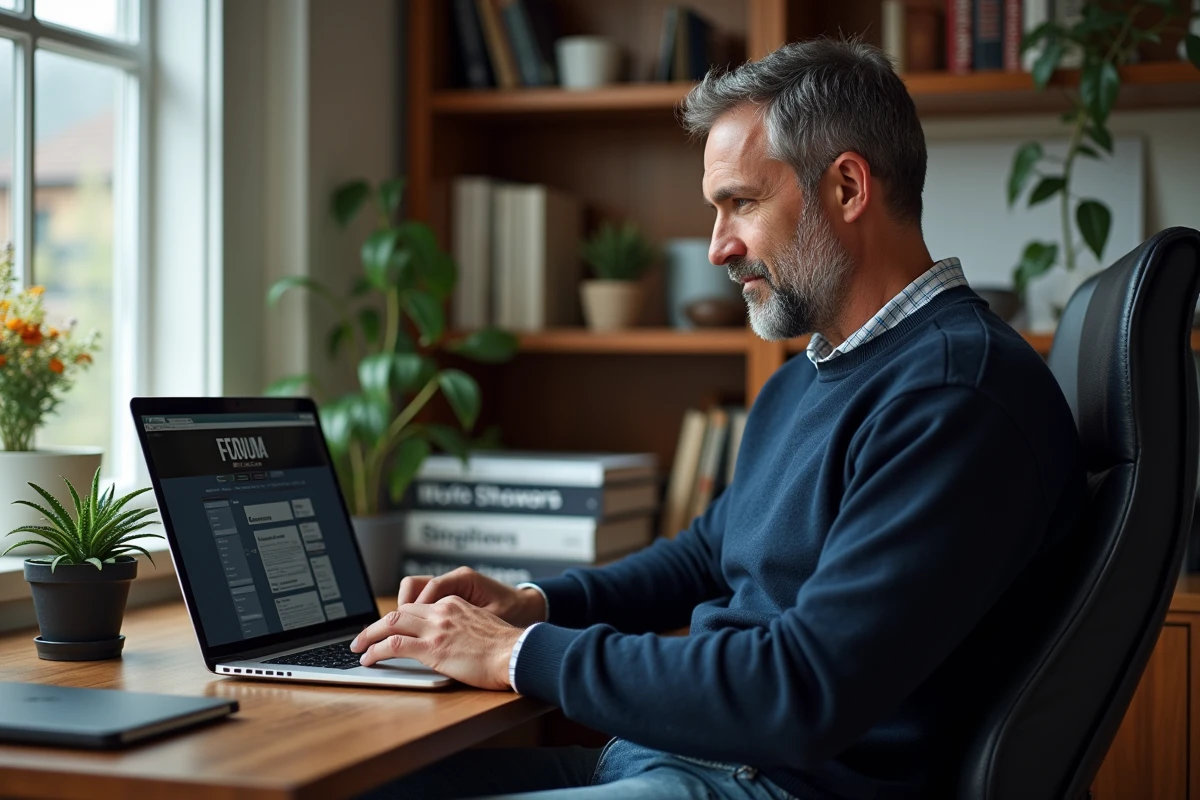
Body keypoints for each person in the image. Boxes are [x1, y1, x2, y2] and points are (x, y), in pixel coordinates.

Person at [352, 37, 1086, 800]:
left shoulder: (954, 398)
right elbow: (706, 556)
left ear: (846, 188)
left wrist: (517, 652)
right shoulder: (810, 376)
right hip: (685, 760)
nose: (717, 247)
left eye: (741, 202)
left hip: (775, 785)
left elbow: (799, 690)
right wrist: (535, 603)